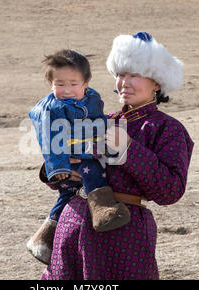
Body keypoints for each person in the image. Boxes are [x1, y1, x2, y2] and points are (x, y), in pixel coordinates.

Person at [39, 32, 194, 279]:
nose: (125, 82)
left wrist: (129, 150)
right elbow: (57, 171)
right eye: (121, 74)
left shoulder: (168, 129)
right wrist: (58, 168)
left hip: (123, 235)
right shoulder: (99, 119)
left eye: (135, 75)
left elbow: (170, 191)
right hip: (72, 225)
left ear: (157, 82)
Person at [26, 49, 131, 265]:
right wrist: (58, 167)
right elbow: (49, 138)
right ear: (50, 84)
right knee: (90, 174)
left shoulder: (92, 98)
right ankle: (102, 209)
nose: (66, 90)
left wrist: (105, 141)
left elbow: (99, 120)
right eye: (60, 84)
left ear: (86, 82)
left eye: (73, 83)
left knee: (68, 196)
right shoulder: (51, 109)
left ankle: (42, 240)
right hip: (70, 156)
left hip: (89, 147)